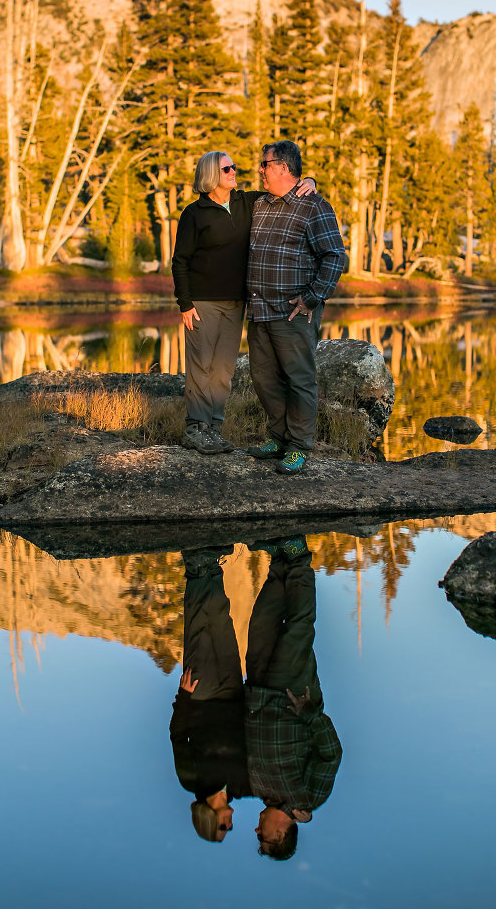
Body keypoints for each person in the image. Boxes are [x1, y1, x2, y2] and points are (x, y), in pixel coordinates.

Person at [171, 151, 316, 455]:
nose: (235, 171)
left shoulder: (247, 202)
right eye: (227, 168)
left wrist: (311, 181)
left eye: (234, 166)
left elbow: (284, 187)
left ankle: (214, 428)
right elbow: (180, 261)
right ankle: (196, 428)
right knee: (201, 366)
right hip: (202, 303)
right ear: (212, 174)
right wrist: (185, 303)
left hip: (237, 303)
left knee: (223, 370)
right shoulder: (194, 213)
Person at [246, 140, 346, 474]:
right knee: (263, 378)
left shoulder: (314, 206)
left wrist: (313, 297)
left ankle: (300, 446)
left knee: (299, 379)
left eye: (265, 164)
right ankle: (279, 436)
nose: (260, 170)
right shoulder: (259, 204)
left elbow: (334, 255)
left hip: (293, 313)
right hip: (259, 310)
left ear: (283, 168)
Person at [244, 536, 342, 861]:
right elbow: (331, 755)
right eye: (265, 838)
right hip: (293, 695)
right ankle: (298, 558)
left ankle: (278, 563)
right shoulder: (309, 797)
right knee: (297, 629)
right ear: (281, 834)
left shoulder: (259, 790)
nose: (258, 831)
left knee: (261, 626)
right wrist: (310, 713)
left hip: (257, 690)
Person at [169, 546, 250, 842]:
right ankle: (213, 568)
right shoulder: (240, 788)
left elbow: (178, 737)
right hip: (231, 691)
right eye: (228, 829)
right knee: (222, 625)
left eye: (222, 828)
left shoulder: (191, 781)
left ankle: (195, 565)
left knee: (198, 631)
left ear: (208, 820)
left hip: (201, 696)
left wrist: (184, 697)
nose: (230, 825)